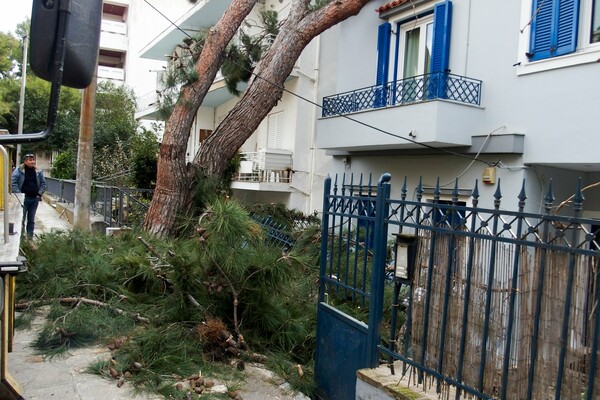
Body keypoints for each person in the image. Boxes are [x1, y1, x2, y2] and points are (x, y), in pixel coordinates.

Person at [11, 153, 47, 239]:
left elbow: (43, 184)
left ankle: (30, 238)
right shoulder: (19, 171)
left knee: (31, 220)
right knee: (21, 219)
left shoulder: (38, 171)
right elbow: (13, 183)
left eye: (33, 160)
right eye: (30, 160)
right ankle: (21, 238)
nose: (33, 162)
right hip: (23, 199)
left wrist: (39, 194)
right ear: (25, 161)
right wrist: (19, 195)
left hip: (34, 199)